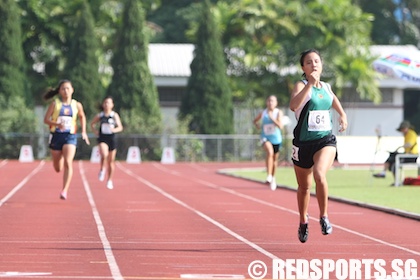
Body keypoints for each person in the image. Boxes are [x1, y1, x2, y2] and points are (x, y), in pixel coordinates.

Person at [289, 49, 348, 243]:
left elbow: (332, 99)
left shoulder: (327, 87)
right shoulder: (301, 85)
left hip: (325, 140)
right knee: (304, 187)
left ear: (321, 65)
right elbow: (293, 105)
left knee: (319, 175)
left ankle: (323, 216)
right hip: (303, 143)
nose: (314, 64)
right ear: (303, 68)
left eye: (316, 61)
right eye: (309, 62)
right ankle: (303, 220)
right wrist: (309, 86)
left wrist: (342, 115)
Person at [43, 79, 90, 200]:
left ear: (72, 90)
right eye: (63, 88)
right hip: (56, 136)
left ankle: (64, 190)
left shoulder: (77, 105)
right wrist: (57, 124)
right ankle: (60, 156)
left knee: (68, 162)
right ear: (59, 91)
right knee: (58, 168)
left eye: (68, 88)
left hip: (70, 136)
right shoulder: (55, 104)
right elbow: (46, 120)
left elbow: (82, 116)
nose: (66, 91)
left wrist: (84, 131)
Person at [90, 96, 123, 190]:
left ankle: (109, 180)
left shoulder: (114, 115)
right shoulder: (100, 115)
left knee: (111, 161)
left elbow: (120, 127)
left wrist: (114, 129)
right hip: (102, 138)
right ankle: (102, 169)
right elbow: (92, 123)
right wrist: (95, 131)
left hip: (111, 138)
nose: (106, 104)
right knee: (104, 154)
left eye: (108, 103)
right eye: (105, 103)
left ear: (112, 105)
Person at [253, 95, 284, 191]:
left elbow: (281, 126)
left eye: (273, 101)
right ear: (267, 102)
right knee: (269, 152)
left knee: (275, 160)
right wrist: (257, 125)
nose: (270, 103)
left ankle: (273, 178)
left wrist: (272, 118)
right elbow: (255, 121)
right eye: (269, 101)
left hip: (276, 139)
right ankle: (269, 175)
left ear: (276, 103)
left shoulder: (278, 112)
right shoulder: (263, 113)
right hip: (265, 137)